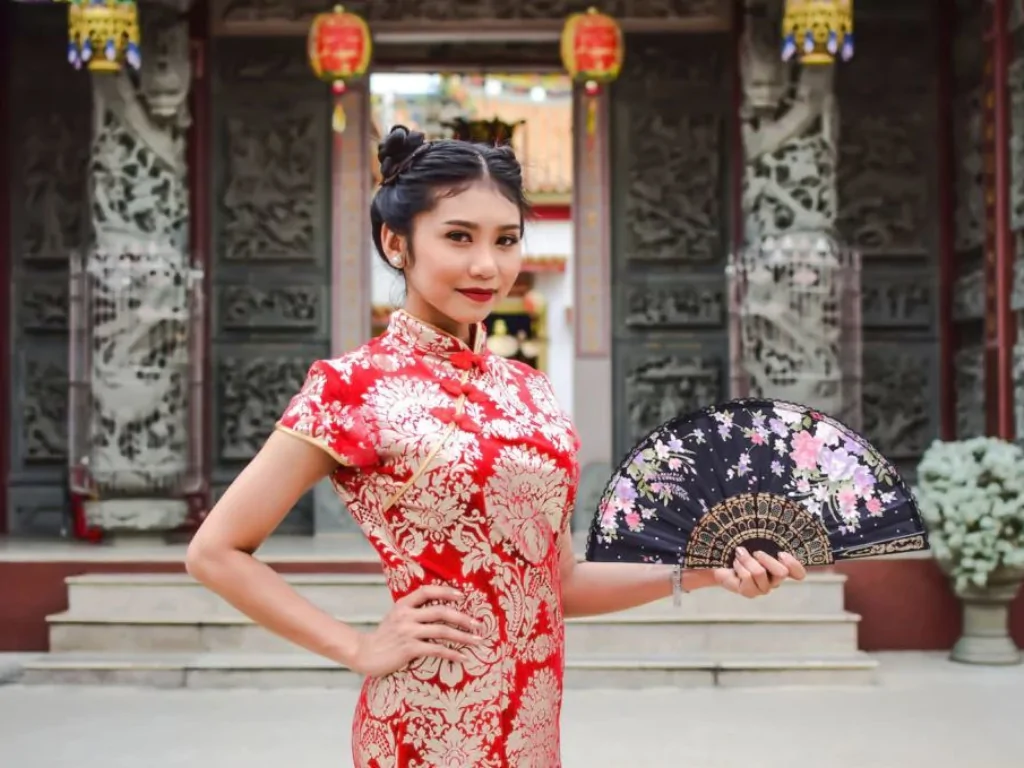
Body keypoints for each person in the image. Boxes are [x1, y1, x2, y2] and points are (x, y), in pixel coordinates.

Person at [185, 125, 808, 767]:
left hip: (531, 727)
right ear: (396, 243)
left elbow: (556, 582)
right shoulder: (353, 386)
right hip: (424, 725)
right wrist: (356, 646)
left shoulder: (531, 392)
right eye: (459, 236)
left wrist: (707, 569)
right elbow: (215, 552)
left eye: (506, 240)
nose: (488, 265)